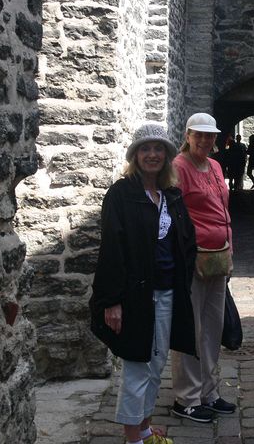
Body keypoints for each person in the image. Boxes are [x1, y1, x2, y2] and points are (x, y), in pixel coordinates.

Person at [89, 123, 197, 444]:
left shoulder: (171, 196)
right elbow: (111, 249)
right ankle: (133, 439)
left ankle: (146, 430)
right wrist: (112, 301)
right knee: (137, 367)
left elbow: (185, 243)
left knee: (157, 364)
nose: (152, 155)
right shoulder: (121, 195)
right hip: (135, 296)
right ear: (135, 155)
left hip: (166, 294)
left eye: (158, 149)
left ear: (167, 156)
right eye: (145, 149)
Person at [171, 112, 238, 422]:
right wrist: (188, 251)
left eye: (210, 135)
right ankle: (186, 397)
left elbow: (223, 210)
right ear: (188, 135)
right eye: (199, 134)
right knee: (191, 328)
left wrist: (230, 250)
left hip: (219, 256)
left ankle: (209, 392)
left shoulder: (215, 165)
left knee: (212, 327)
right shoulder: (179, 167)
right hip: (194, 258)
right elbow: (175, 215)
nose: (205, 140)